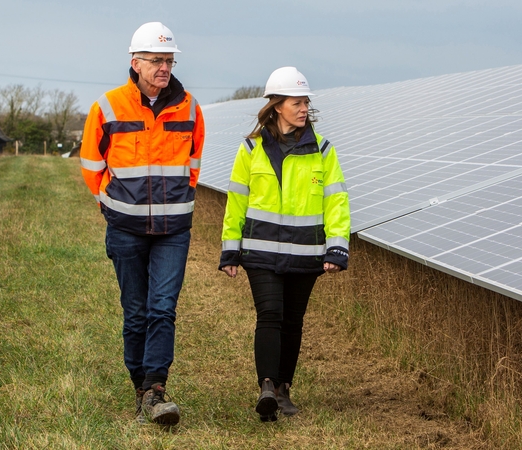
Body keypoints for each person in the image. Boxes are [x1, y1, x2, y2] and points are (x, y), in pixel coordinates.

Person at [80, 21, 204, 425]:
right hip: (125, 230)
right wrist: (111, 204)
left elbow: (194, 165)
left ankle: (156, 390)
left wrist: (178, 202)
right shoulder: (109, 106)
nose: (163, 67)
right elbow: (91, 164)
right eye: (156, 60)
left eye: (168, 60)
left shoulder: (189, 108)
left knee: (162, 309)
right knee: (135, 312)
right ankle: (139, 387)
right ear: (135, 63)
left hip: (174, 233)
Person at [219, 66, 351, 422]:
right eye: (296, 101)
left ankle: (282, 389)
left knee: (293, 320)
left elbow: (336, 201)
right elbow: (237, 202)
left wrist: (337, 248)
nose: (304, 107)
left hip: (306, 253)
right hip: (261, 252)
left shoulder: (322, 150)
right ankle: (266, 386)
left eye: (306, 101)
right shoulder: (250, 149)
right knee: (270, 315)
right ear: (277, 105)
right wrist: (231, 249)